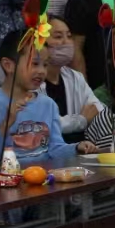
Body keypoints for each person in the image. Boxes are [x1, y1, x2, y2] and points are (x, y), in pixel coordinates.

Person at [0, 30, 97, 163]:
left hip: (46, 174)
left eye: (45, 64)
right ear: (8, 65)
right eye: (35, 64)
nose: (42, 71)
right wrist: (6, 124)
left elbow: (55, 149)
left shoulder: (48, 104)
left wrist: (76, 148)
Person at [40, 16, 104, 144]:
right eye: (58, 37)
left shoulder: (75, 77)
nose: (66, 42)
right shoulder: (32, 80)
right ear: (40, 42)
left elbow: (97, 109)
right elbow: (44, 125)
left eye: (69, 36)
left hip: (79, 148)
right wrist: (81, 120)